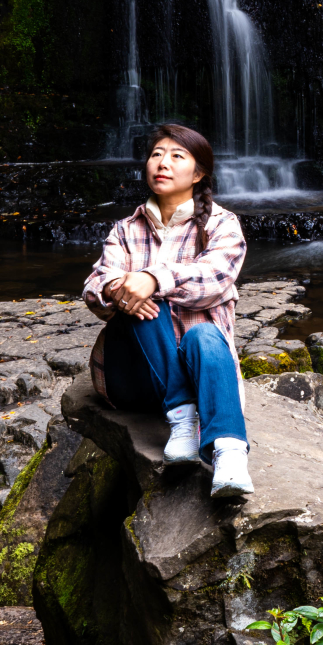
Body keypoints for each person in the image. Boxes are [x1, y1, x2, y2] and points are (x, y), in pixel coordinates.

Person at [81, 122, 254, 496]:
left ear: (200, 172)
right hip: (134, 379)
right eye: (157, 154)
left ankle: (229, 454)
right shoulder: (126, 230)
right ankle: (183, 416)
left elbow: (215, 279)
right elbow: (94, 286)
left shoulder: (223, 226)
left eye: (177, 156)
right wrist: (119, 287)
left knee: (205, 333)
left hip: (203, 373)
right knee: (140, 302)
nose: (163, 162)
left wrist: (155, 278)